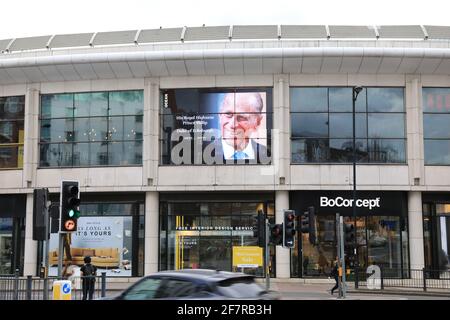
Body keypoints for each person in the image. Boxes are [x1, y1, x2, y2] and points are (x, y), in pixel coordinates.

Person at [213, 92, 270, 163]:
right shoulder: (201, 154)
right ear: (220, 116)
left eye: (241, 117)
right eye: (228, 114)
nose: (232, 125)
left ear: (257, 122)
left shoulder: (268, 155)